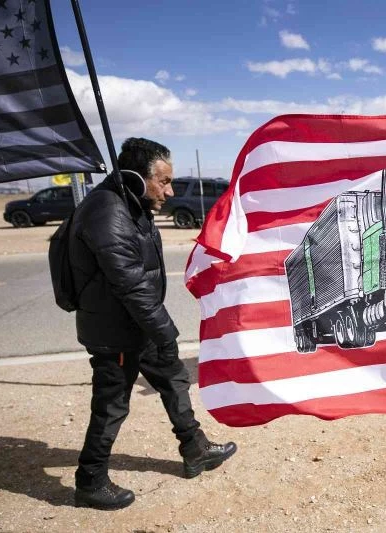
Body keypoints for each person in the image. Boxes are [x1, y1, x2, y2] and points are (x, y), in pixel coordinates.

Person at [68, 138, 236, 510]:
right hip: (117, 333)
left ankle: (195, 448)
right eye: (163, 181)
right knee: (112, 405)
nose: (170, 191)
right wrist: (166, 333)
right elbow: (130, 284)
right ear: (137, 177)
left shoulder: (130, 203)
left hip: (138, 326)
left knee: (174, 379)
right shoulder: (108, 213)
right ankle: (90, 480)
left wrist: (158, 334)